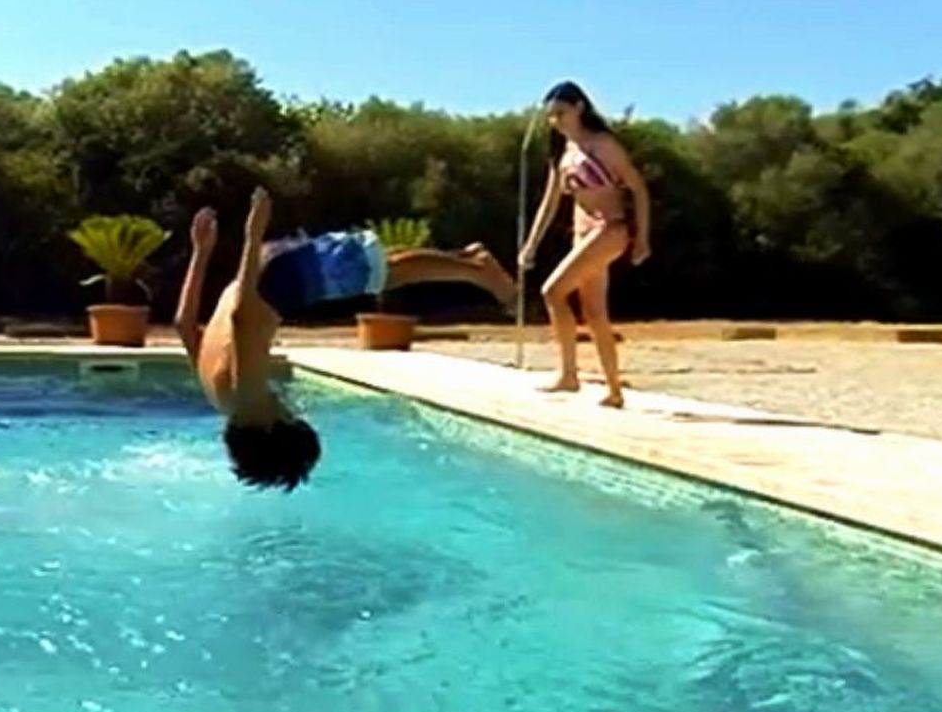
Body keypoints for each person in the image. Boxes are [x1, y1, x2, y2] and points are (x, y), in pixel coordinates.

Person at [177, 188, 516, 490]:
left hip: (275, 284)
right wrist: (201, 253)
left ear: (270, 428)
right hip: (270, 276)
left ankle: (480, 271)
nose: (288, 407)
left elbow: (241, 317)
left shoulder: (247, 398)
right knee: (374, 264)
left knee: (381, 272)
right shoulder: (218, 397)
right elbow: (184, 324)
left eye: (289, 416)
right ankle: (468, 259)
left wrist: (252, 234)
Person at [518, 80, 652, 408]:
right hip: (583, 233)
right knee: (593, 312)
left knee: (552, 291)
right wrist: (531, 244)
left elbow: (638, 188)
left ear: (579, 108)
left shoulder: (603, 145)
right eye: (551, 116)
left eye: (561, 113)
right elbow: (550, 204)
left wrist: (642, 238)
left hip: (609, 229)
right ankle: (614, 390)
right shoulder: (564, 154)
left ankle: (569, 375)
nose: (556, 121)